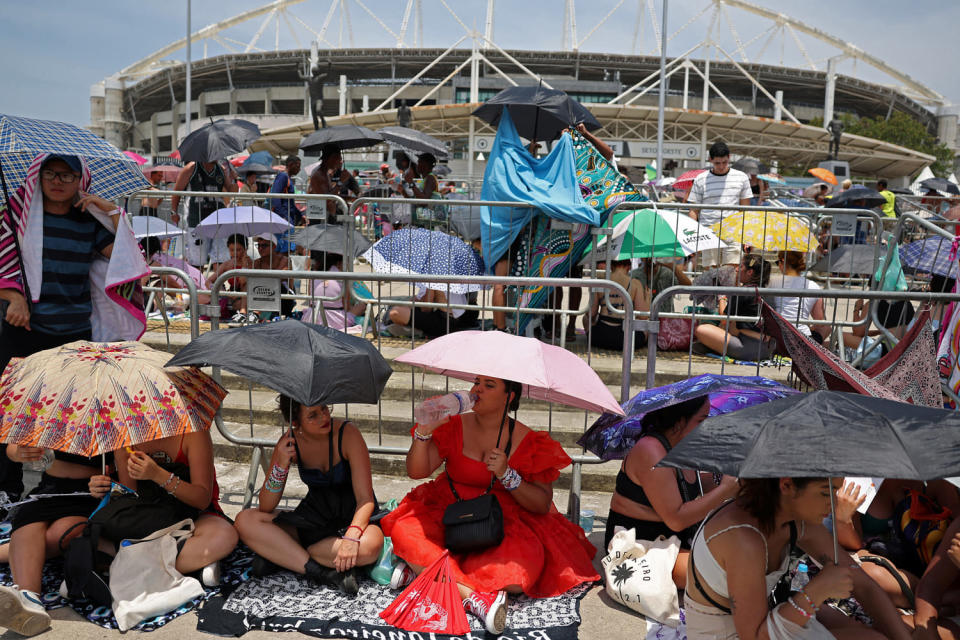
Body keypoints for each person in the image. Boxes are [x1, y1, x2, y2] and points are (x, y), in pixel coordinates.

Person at [381, 376, 599, 634]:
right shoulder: (453, 425)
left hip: (501, 520)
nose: (477, 390)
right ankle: (474, 598)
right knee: (406, 531)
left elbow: (541, 504)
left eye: (489, 385)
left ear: (510, 397)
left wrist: (508, 475)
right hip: (448, 509)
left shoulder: (529, 441)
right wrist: (424, 432)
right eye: (476, 383)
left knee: (518, 576)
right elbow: (417, 472)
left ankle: (420, 571)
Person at [0, 154, 147, 505]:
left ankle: (68, 490)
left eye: (67, 175)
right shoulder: (15, 218)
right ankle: (7, 490)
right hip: (24, 330)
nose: (58, 181)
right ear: (39, 176)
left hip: (73, 334)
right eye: (50, 173)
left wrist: (109, 211)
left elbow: (129, 256)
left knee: (70, 412)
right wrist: (13, 297)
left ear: (80, 180)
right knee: (10, 414)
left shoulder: (88, 222)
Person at [684, 477, 913, 639]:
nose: (833, 502)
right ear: (786, 485)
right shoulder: (744, 540)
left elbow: (864, 585)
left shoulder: (796, 520)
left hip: (766, 621)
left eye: (836, 490)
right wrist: (816, 591)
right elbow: (753, 637)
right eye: (826, 492)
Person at [234, 395, 383, 596]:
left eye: (324, 408)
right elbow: (266, 505)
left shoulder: (348, 434)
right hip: (315, 519)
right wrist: (281, 463)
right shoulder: (289, 442)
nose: (324, 416)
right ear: (296, 423)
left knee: (370, 548)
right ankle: (323, 571)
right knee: (245, 520)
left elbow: (365, 499)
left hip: (355, 517)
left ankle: (287, 556)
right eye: (313, 415)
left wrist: (351, 537)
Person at [604, 397, 740, 589]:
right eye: (701, 420)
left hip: (675, 538)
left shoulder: (684, 445)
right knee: (727, 576)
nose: (706, 426)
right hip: (640, 545)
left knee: (748, 555)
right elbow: (676, 518)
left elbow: (702, 493)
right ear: (680, 420)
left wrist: (726, 473)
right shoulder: (650, 450)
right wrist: (727, 488)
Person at [89, 431, 239, 590]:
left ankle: (126, 565)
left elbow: (201, 500)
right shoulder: (125, 435)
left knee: (223, 536)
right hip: (152, 517)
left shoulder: (195, 433)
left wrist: (158, 475)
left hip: (194, 516)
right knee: (87, 535)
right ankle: (189, 565)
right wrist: (108, 487)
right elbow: (132, 496)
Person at [0, 450, 112, 636]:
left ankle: (9, 555)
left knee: (56, 536)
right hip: (50, 489)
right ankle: (30, 599)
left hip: (90, 493)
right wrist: (21, 454)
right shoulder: (50, 420)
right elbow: (12, 449)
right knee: (27, 520)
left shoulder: (114, 424)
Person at [694, 254, 774, 361]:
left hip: (747, 347)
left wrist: (721, 296)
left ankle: (712, 347)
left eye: (740, 266)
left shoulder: (743, 292)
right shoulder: (767, 292)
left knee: (701, 329)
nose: (736, 269)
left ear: (750, 272)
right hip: (768, 348)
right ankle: (712, 346)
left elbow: (723, 318)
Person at [685, 141, 751, 267]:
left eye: (724, 162)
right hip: (708, 232)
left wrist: (746, 236)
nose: (721, 166)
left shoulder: (741, 177)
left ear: (729, 158)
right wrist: (693, 236)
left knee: (732, 272)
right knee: (711, 274)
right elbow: (693, 210)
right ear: (710, 160)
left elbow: (745, 211)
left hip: (734, 231)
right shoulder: (700, 179)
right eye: (717, 163)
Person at [585, 258, 651, 351]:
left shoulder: (600, 282)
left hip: (600, 337)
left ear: (611, 265)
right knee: (646, 325)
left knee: (585, 319)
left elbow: (591, 313)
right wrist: (648, 298)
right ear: (629, 267)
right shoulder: (635, 284)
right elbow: (643, 316)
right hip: (626, 339)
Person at [771, 251, 829, 344]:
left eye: (778, 263)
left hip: (777, 336)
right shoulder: (813, 286)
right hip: (802, 339)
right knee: (827, 327)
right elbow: (820, 321)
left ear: (783, 262)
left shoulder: (773, 282)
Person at [301, 251, 366, 332]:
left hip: (312, 317)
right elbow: (347, 307)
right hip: (335, 321)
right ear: (339, 263)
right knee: (362, 305)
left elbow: (310, 300)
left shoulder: (313, 274)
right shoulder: (343, 277)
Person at [207, 233, 254, 322]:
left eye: (238, 250)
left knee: (246, 285)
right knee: (217, 284)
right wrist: (223, 292)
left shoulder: (252, 263)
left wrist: (244, 266)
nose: (235, 253)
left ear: (245, 249)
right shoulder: (227, 264)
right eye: (232, 250)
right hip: (232, 297)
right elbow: (209, 281)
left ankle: (243, 312)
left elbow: (243, 281)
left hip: (248, 296)